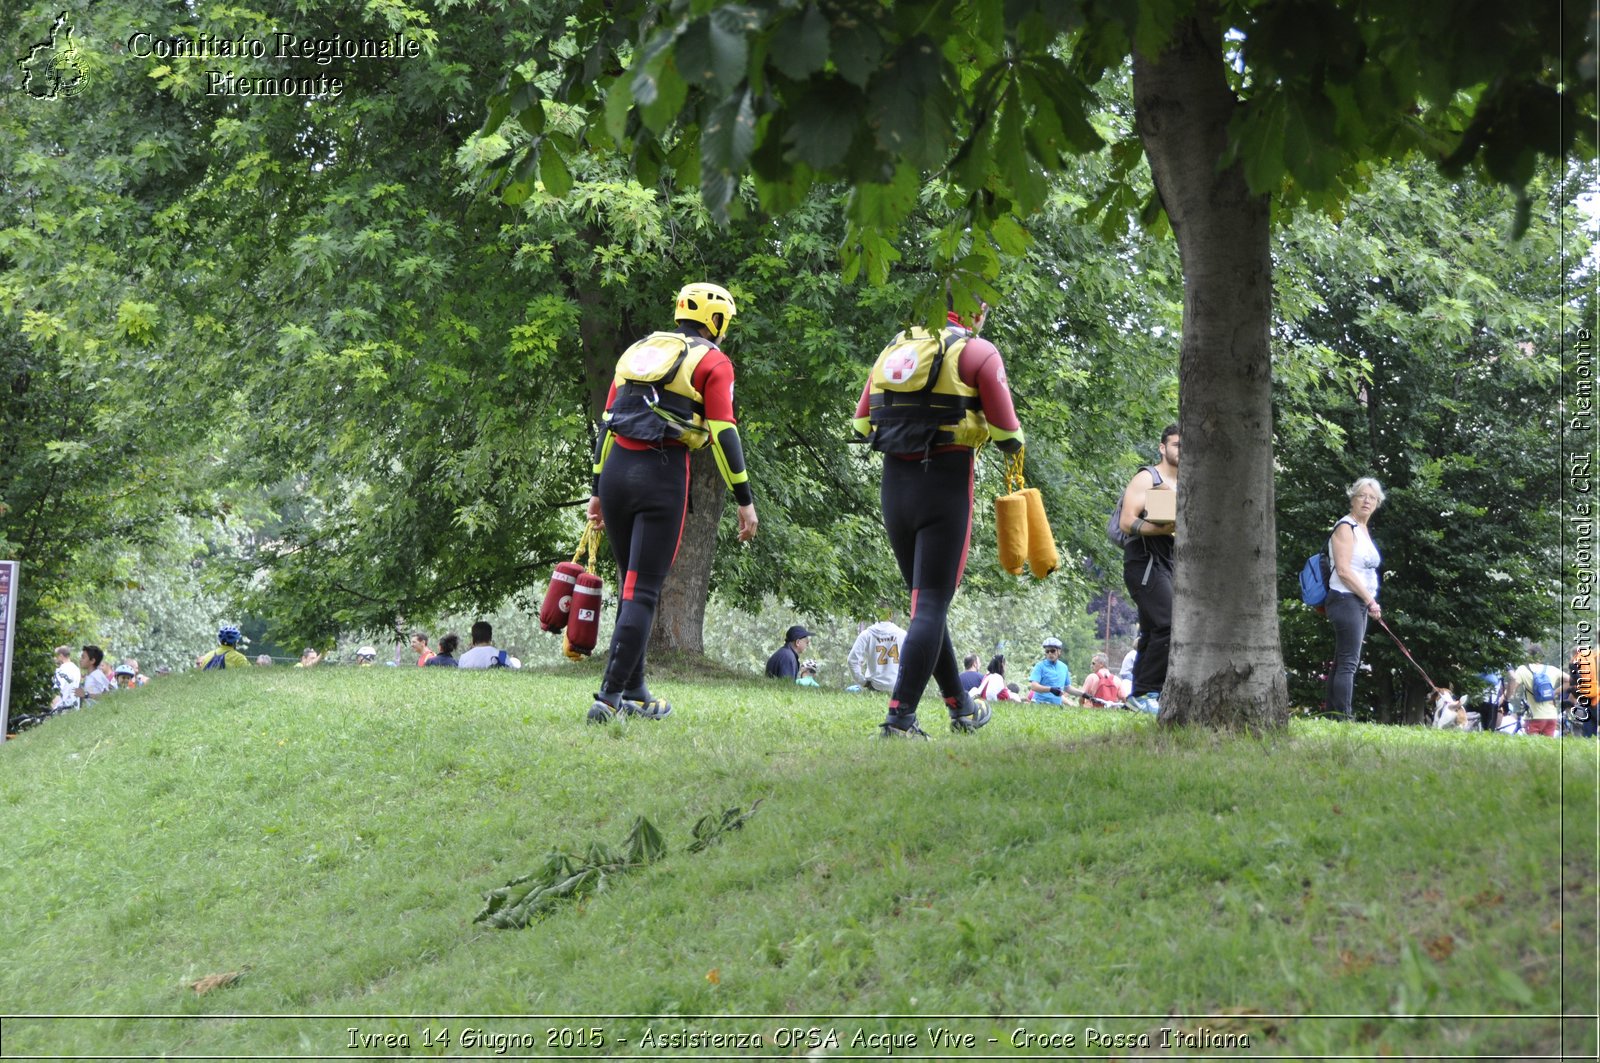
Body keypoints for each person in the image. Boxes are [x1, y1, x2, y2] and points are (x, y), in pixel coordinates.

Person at [586, 282, 759, 722]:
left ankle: (636, 690)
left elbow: (607, 423)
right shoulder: (714, 361)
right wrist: (744, 499)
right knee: (643, 592)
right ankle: (607, 700)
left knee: (631, 587)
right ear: (716, 322)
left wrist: (596, 491)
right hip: (660, 476)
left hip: (617, 474)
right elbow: (723, 432)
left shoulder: (640, 350)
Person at [853, 296, 1024, 736]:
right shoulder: (977, 351)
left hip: (896, 485)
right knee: (929, 605)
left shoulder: (897, 345)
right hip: (946, 482)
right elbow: (1009, 436)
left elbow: (860, 426)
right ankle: (900, 717)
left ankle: (961, 707)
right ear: (975, 310)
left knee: (925, 606)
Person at [1117, 425, 1180, 714]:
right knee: (1169, 624)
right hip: (1144, 562)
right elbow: (1127, 521)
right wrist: (1161, 528)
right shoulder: (1147, 478)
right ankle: (1146, 692)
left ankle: (1136, 697)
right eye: (1176, 444)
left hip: (1169, 562)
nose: (1181, 451)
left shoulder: (1184, 483)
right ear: (1162, 447)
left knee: (1152, 630)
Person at [1325, 477, 1385, 721]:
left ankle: (1332, 715)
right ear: (1352, 498)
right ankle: (1343, 718)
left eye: (1372, 497)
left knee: (1342, 661)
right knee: (1349, 663)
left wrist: (1368, 601)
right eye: (1362, 495)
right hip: (1345, 598)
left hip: (1358, 601)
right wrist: (1370, 600)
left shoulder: (1363, 529)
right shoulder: (1345, 527)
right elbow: (1344, 571)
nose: (1367, 501)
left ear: (1377, 503)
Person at [1506, 644, 1567, 738]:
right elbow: (1572, 681)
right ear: (1541, 656)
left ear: (1529, 656)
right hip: (1551, 716)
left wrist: (1504, 697)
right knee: (1547, 748)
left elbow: (1512, 688)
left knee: (1533, 748)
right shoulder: (1552, 669)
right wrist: (1554, 692)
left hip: (1533, 717)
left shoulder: (1523, 669)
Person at [847, 614, 906, 693]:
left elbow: (852, 660)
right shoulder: (903, 634)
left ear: (876, 615)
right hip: (897, 687)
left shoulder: (866, 634)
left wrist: (862, 682)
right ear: (891, 615)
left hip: (874, 687)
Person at [1029, 637, 1081, 706]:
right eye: (1047, 651)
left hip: (1056, 706)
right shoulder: (1040, 666)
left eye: (1052, 651)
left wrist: (1084, 694)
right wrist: (1050, 689)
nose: (1050, 653)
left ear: (1059, 651)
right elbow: (1034, 686)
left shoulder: (1064, 667)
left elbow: (1067, 688)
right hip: (1039, 704)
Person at [50, 645, 81, 713]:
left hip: (61, 708)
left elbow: (57, 690)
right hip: (74, 706)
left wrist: (53, 709)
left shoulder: (60, 670)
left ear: (61, 656)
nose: (54, 658)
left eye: (55, 656)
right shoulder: (76, 669)